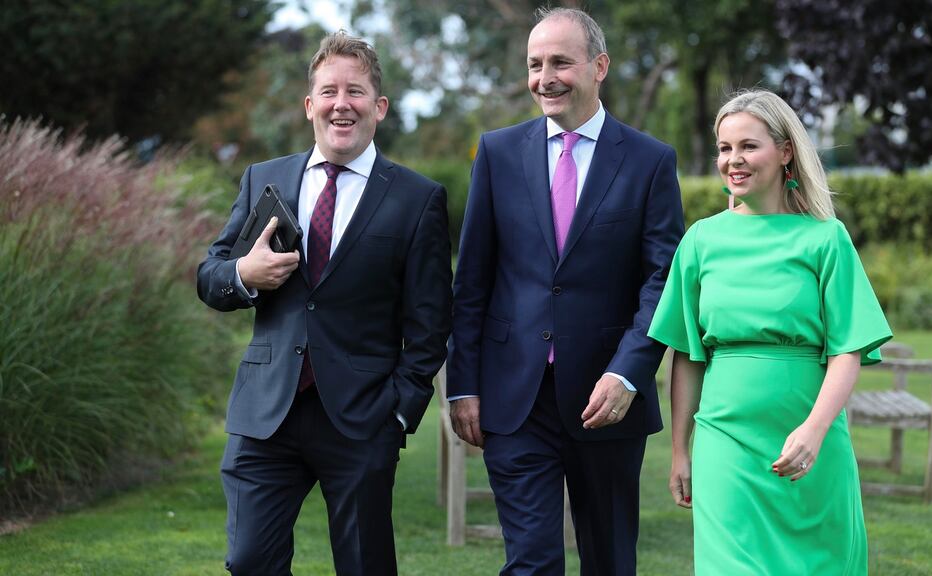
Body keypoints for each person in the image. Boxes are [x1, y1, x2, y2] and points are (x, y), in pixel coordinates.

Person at [196, 31, 452, 576]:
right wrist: (244, 273)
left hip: (361, 418)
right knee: (249, 562)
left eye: (356, 92)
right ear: (310, 104)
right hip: (265, 414)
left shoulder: (416, 198)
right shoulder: (264, 179)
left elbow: (430, 324)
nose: (343, 104)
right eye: (329, 91)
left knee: (365, 566)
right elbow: (210, 277)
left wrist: (400, 411)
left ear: (378, 107)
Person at [447, 7, 685, 575]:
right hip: (515, 398)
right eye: (534, 64)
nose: (544, 77)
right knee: (530, 562)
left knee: (608, 562)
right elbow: (472, 279)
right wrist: (462, 386)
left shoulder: (650, 161)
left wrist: (628, 372)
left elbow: (663, 281)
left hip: (607, 400)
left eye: (560, 62)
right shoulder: (498, 154)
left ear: (599, 66)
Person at [648, 89, 892, 574]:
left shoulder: (826, 238)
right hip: (725, 443)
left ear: (785, 152)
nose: (732, 160)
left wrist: (814, 431)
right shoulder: (700, 241)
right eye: (724, 148)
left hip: (810, 441)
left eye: (747, 146)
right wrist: (680, 450)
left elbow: (848, 351)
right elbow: (690, 355)